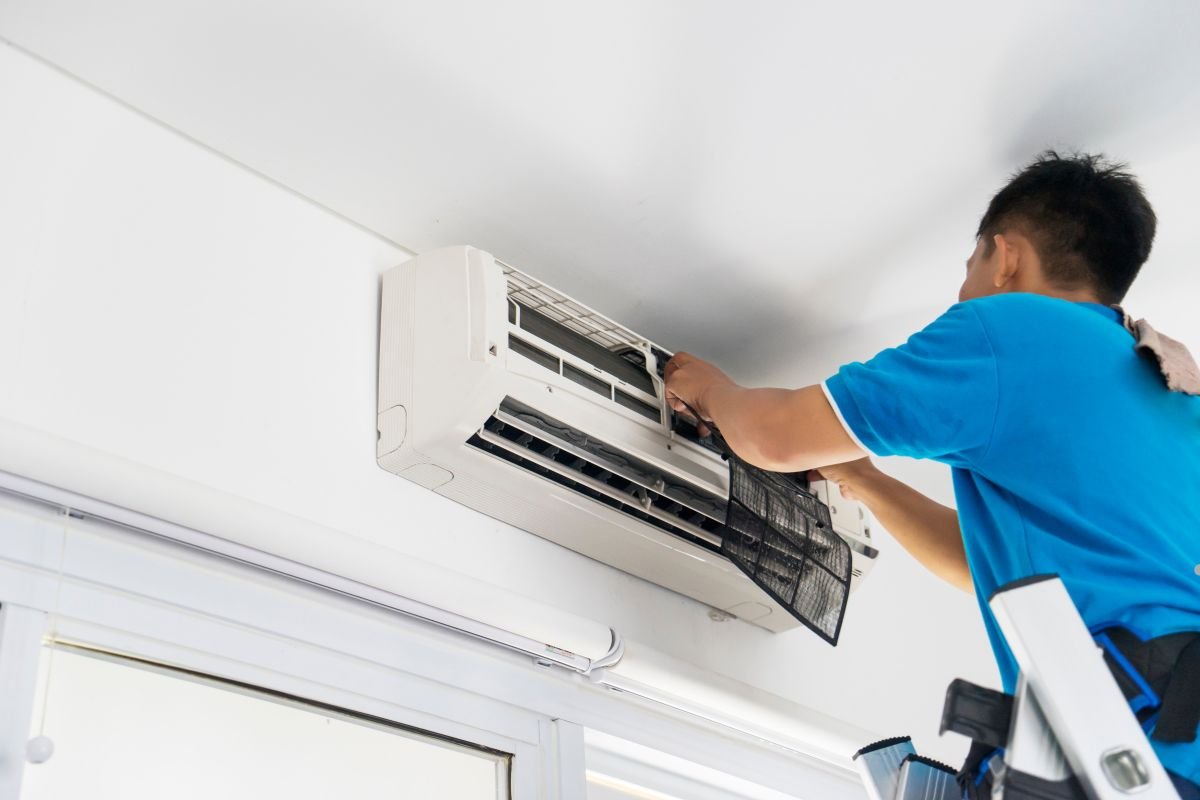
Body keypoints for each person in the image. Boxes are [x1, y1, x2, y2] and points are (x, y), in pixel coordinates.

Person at [663, 152, 1200, 796]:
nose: (963, 289)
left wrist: (714, 389)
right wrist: (862, 478)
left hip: (1130, 741)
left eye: (970, 265)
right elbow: (984, 568)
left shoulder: (1011, 329)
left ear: (1006, 257)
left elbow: (773, 436)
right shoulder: (1172, 390)